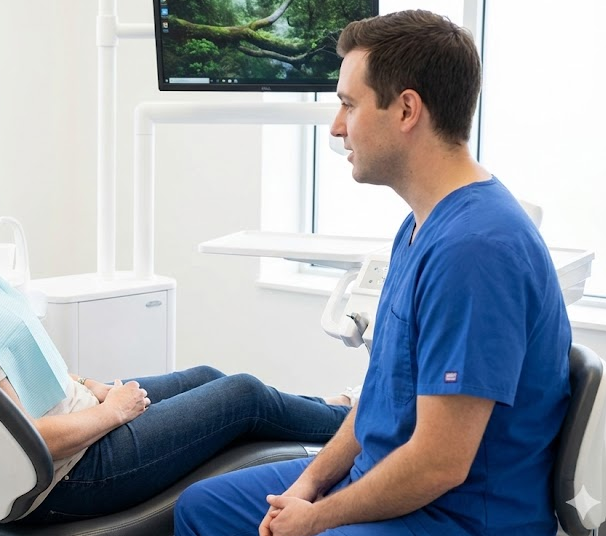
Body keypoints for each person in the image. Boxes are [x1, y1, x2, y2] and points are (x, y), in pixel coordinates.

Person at [0, 111, 356, 523]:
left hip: (77, 421)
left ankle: (329, 410)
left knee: (208, 379)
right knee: (241, 396)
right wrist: (116, 410)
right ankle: (365, 425)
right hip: (70, 473)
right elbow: (19, 434)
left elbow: (27, 360)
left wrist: (96, 387)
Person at [173, 9, 571, 536]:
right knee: (202, 508)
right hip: (389, 480)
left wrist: (317, 519)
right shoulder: (419, 226)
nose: (337, 128)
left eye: (348, 104)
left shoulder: (475, 250)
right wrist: (308, 485)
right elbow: (376, 402)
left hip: (454, 516)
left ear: (407, 109)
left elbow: (439, 464)